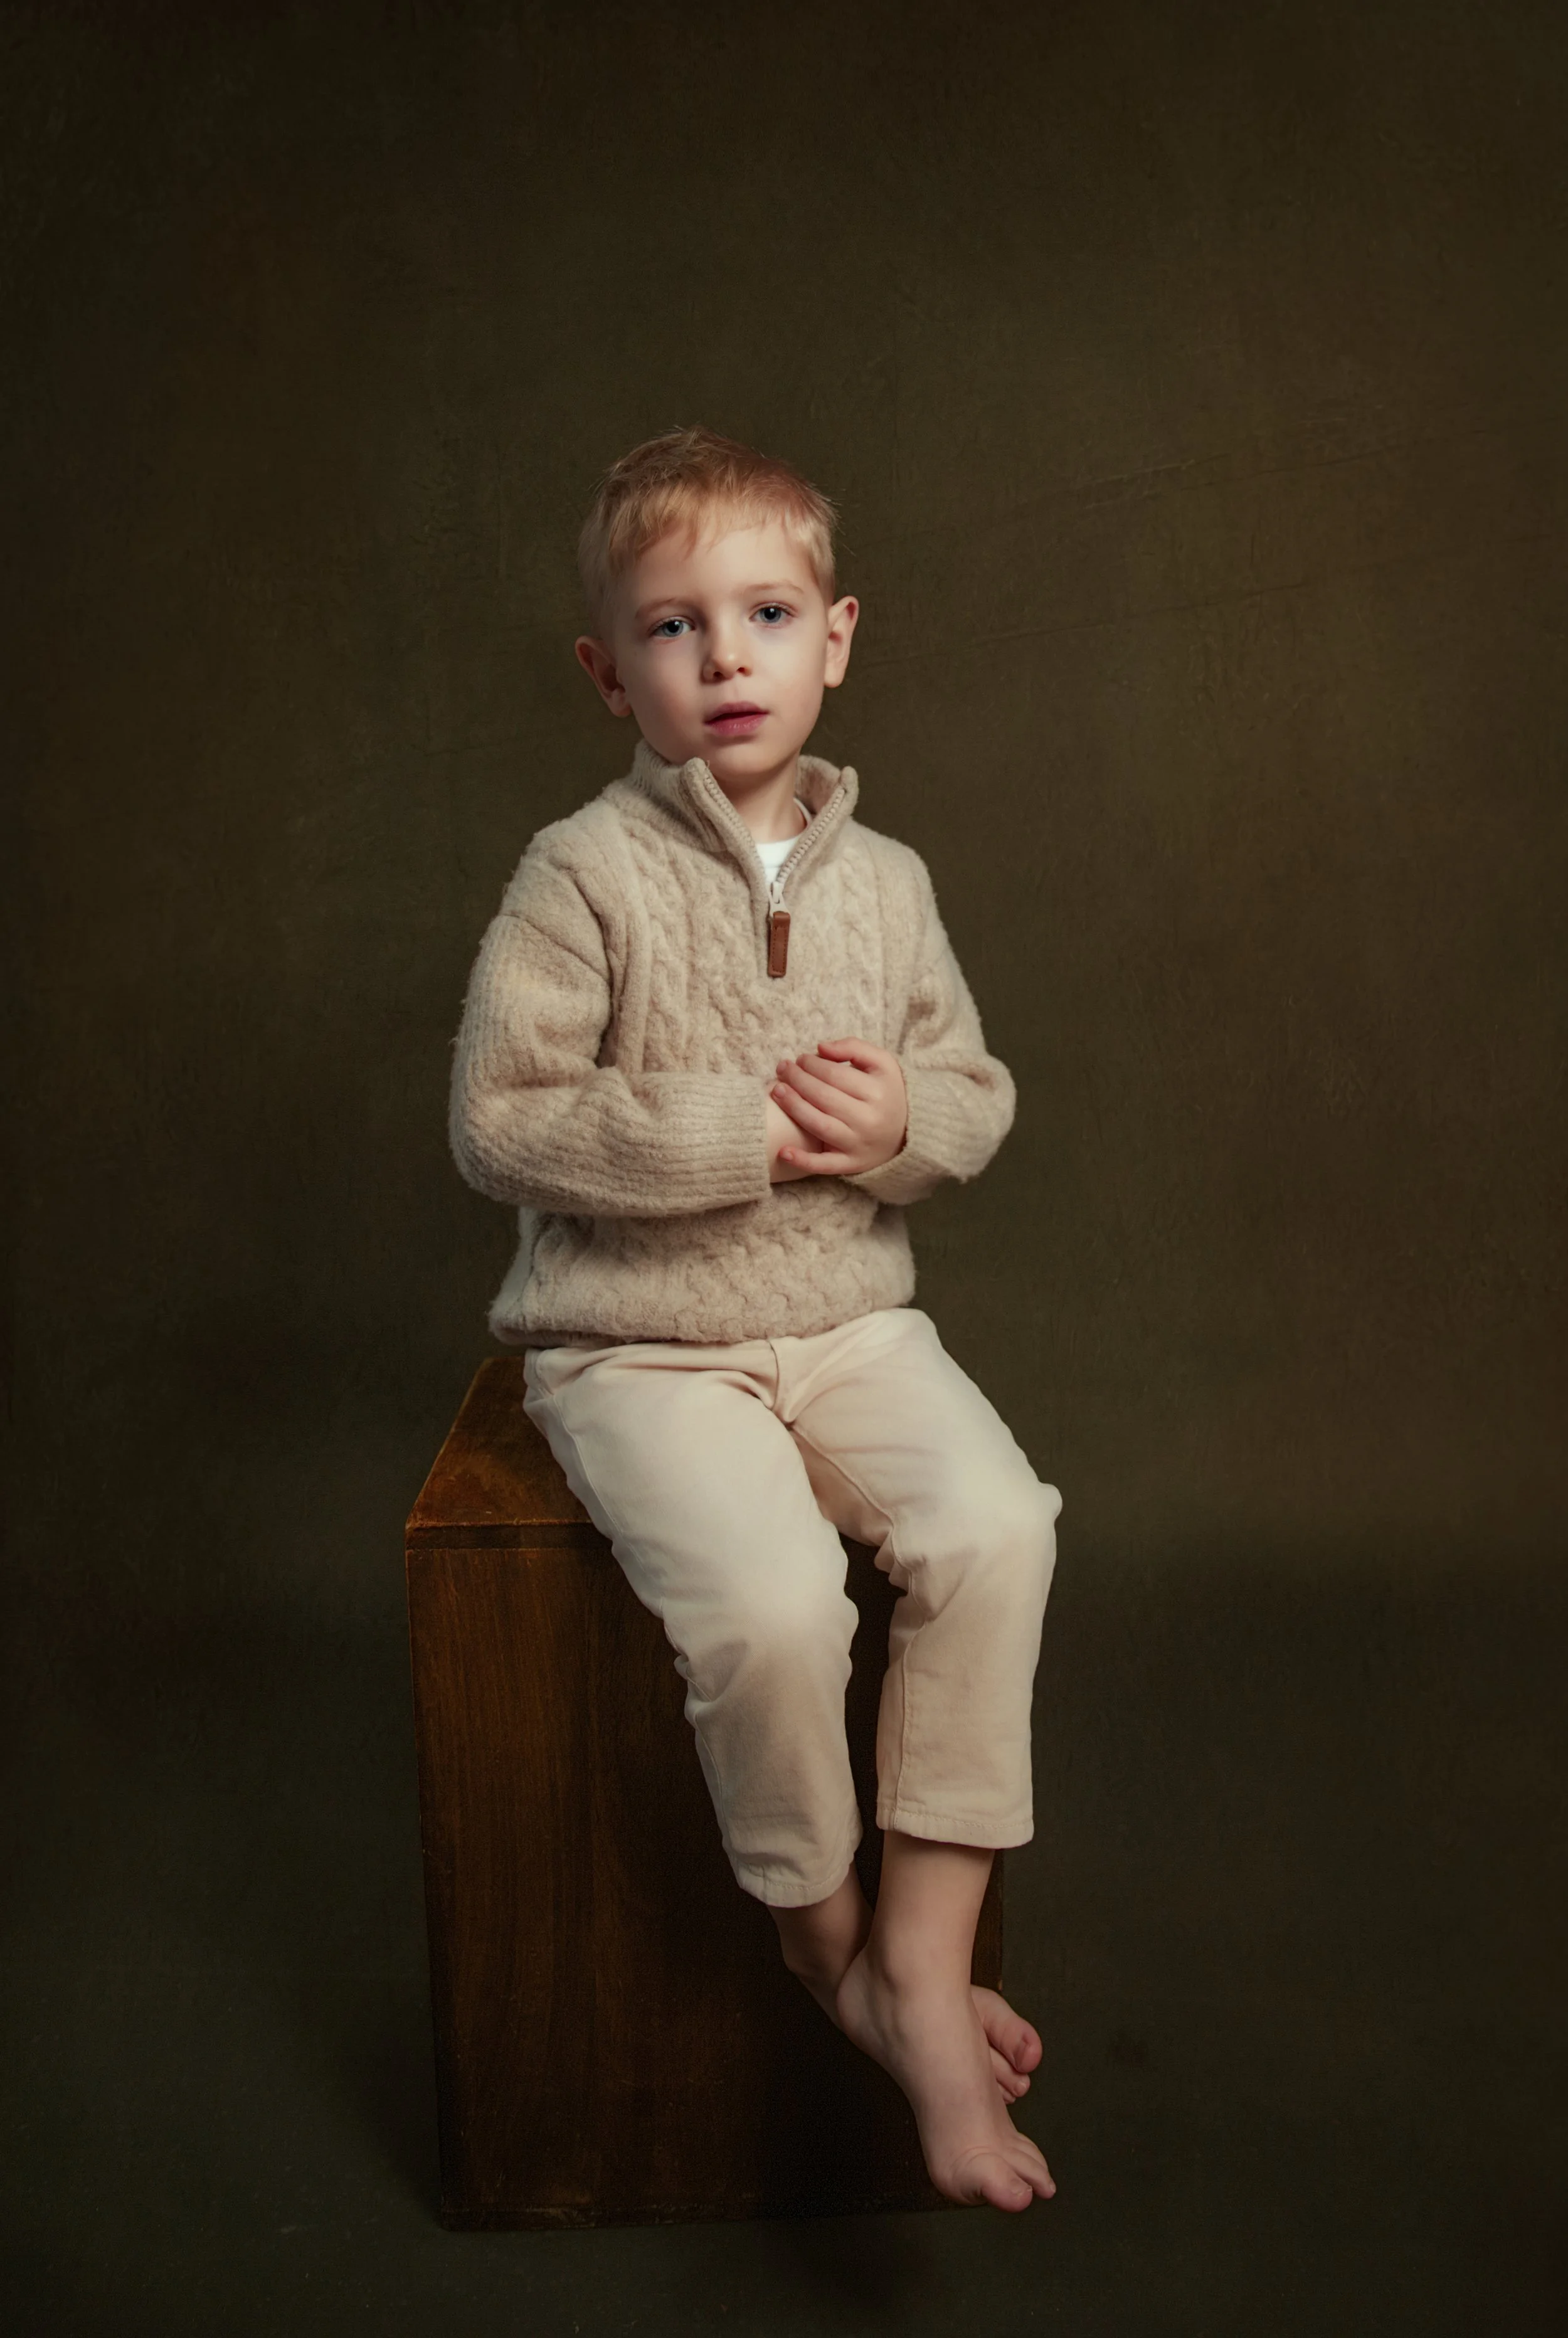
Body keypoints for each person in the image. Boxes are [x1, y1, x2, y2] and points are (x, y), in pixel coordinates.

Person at [448, 425, 1062, 2213]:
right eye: (671, 627)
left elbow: (972, 1085)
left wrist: (907, 1131)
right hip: (634, 1345)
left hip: (852, 1323)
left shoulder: (890, 884)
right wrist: (729, 1129)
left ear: (835, 637)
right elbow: (498, 1117)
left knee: (994, 1528)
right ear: (605, 670)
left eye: (766, 612)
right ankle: (835, 1957)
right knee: (780, 1607)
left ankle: (925, 1974)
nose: (724, 658)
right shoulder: (580, 874)